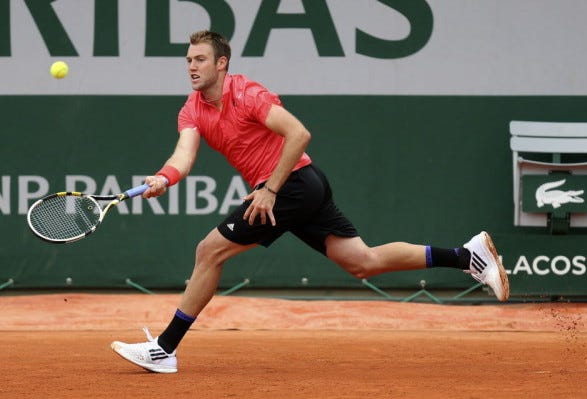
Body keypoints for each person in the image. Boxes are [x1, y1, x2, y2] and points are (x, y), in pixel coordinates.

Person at [111, 30, 510, 373]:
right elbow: (184, 154)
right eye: (188, 60)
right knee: (362, 262)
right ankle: (467, 257)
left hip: (293, 184)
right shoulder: (192, 109)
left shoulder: (247, 93)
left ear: (221, 63)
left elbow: (298, 134)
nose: (192, 67)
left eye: (200, 59)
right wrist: (164, 177)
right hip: (301, 187)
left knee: (208, 251)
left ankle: (164, 349)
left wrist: (269, 188)